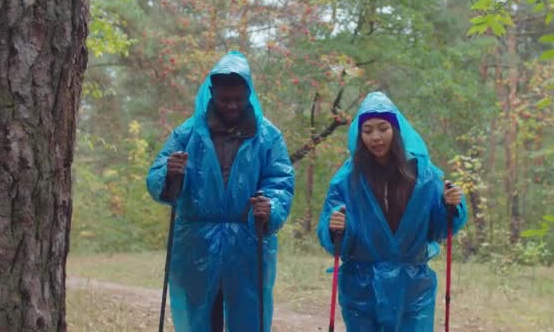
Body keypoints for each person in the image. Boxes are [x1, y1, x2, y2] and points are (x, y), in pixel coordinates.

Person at [147, 51, 295, 332]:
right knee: (200, 318)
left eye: (238, 99)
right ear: (211, 93)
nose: (231, 105)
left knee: (249, 317)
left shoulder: (268, 136)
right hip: (197, 243)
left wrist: (270, 207)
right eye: (225, 99)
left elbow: (280, 180)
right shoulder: (187, 134)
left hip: (248, 242)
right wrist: (170, 174)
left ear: (248, 93)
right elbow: (155, 176)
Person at [317, 92, 467, 331]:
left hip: (413, 285)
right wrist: (336, 227)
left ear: (395, 129)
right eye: (367, 131)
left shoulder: (424, 175)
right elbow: (333, 225)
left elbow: (438, 229)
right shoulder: (346, 179)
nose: (376, 137)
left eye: (383, 128)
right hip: (362, 285)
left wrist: (451, 206)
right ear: (359, 135)